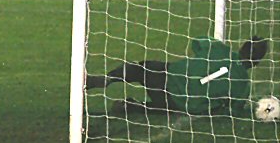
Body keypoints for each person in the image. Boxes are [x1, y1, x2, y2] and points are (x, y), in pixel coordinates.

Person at [86, 36, 269, 115]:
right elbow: (232, 111)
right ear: (257, 62)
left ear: (242, 47)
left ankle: (110, 78)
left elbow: (197, 42)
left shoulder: (220, 49)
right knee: (171, 108)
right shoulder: (243, 85)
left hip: (166, 77)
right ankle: (133, 106)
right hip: (176, 103)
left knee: (142, 68)